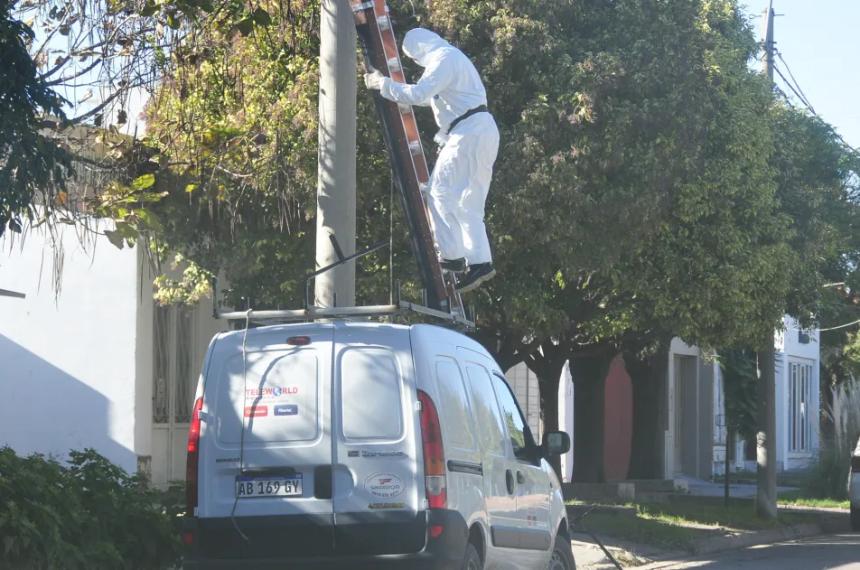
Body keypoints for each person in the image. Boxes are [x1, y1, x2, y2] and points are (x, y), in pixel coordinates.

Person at [364, 28, 499, 293]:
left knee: (438, 193)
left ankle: (452, 256)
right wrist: (393, 88)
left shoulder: (443, 58)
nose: (416, 61)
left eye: (413, 57)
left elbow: (418, 95)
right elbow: (430, 98)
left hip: (467, 133)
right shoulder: (454, 60)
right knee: (467, 204)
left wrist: (383, 84)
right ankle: (480, 262)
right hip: (481, 131)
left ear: (419, 49)